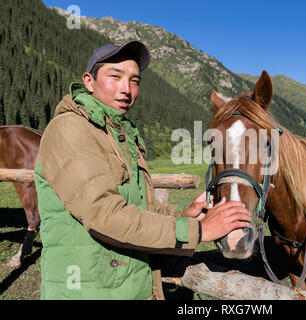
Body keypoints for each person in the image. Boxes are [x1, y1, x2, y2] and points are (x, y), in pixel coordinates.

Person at [34, 40, 250, 300]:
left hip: (131, 288)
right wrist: (200, 231)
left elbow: (139, 208)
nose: (127, 89)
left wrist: (186, 214)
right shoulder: (70, 129)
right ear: (89, 81)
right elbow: (105, 215)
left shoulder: (122, 133)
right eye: (115, 77)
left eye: (135, 81)